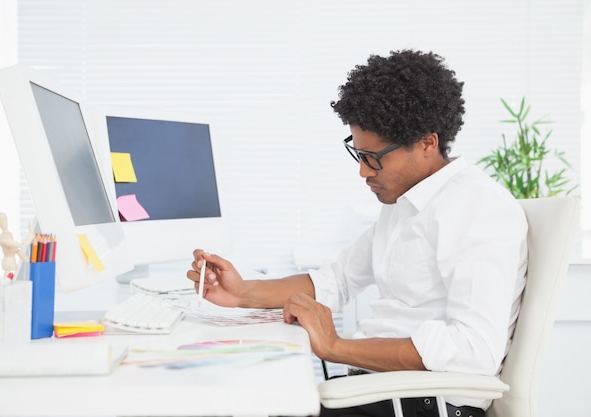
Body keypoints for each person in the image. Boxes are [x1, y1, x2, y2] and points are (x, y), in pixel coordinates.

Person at [187, 49, 528, 417]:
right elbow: (337, 279)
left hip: (421, 404)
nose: (364, 173)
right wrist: (242, 293)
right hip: (378, 391)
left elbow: (473, 351)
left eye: (374, 158)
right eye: (359, 154)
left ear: (428, 143)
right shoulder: (406, 206)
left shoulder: (477, 207)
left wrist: (336, 346)